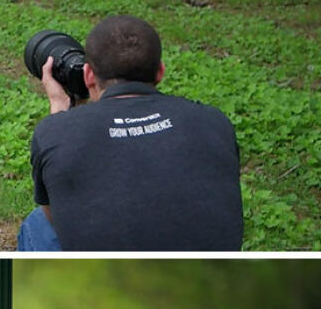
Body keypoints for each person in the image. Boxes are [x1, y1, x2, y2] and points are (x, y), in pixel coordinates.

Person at [18, 15, 243, 251]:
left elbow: (58, 215)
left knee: (39, 224)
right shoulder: (213, 121)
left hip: (113, 273)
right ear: (160, 72)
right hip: (208, 269)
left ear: (88, 76)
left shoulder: (55, 133)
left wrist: (59, 119)